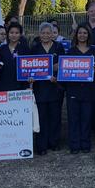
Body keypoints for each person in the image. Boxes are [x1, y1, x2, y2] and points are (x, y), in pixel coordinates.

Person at [29, 22, 66, 155]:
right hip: (40, 88)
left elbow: (62, 65)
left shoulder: (59, 46)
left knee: (55, 116)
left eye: (48, 33)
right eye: (43, 33)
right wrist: (31, 77)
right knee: (41, 117)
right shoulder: (34, 48)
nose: (45, 35)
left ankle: (54, 143)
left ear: (53, 34)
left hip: (55, 87)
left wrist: (57, 76)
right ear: (39, 34)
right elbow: (30, 67)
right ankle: (41, 145)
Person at [64, 26, 95, 154]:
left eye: (85, 33)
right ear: (76, 35)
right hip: (73, 90)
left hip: (89, 90)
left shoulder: (93, 51)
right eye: (80, 33)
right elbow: (65, 71)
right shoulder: (70, 51)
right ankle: (74, 145)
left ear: (88, 35)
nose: (82, 35)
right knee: (73, 118)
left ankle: (85, 143)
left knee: (86, 118)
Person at [0, 22, 30, 92]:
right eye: (11, 32)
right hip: (3, 86)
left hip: (20, 87)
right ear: (8, 34)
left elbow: (29, 68)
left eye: (16, 33)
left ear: (20, 35)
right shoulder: (2, 49)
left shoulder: (25, 49)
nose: (14, 35)